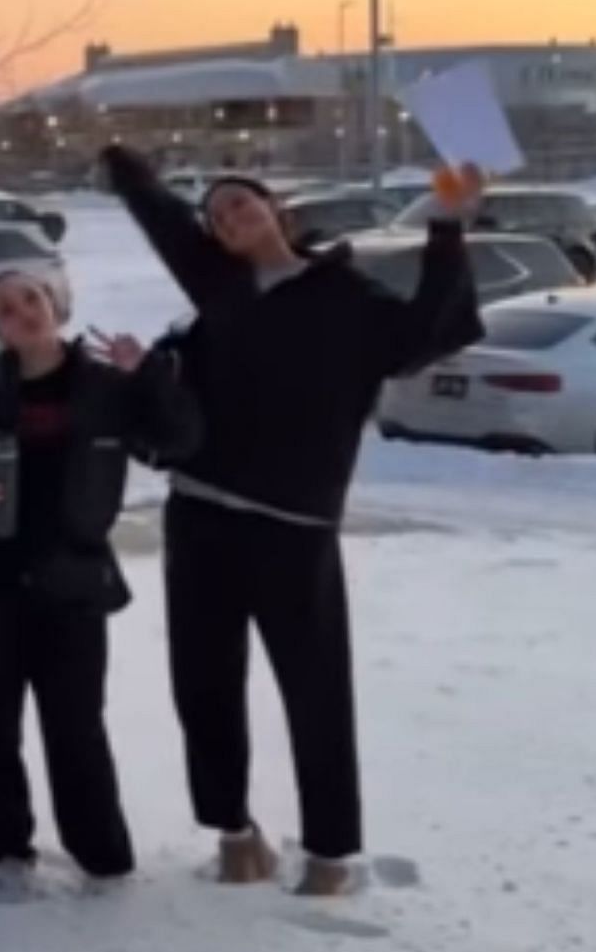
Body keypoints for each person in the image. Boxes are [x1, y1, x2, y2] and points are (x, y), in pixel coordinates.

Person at [103, 145, 485, 896]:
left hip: (295, 527)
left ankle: (331, 852)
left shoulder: (345, 296)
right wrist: (126, 169)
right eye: (218, 216)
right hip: (202, 517)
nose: (232, 218)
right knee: (203, 685)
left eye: (243, 203)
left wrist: (447, 231)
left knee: (316, 692)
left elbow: (425, 336)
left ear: (276, 209)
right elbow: (163, 219)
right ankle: (235, 833)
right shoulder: (219, 286)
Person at [0, 257, 199, 885]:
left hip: (73, 586)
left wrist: (148, 375)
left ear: (55, 304)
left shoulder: (107, 389)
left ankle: (101, 858)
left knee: (76, 728)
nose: (22, 314)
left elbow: (179, 441)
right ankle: (8, 852)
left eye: (29, 300)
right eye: (5, 311)